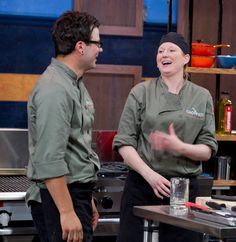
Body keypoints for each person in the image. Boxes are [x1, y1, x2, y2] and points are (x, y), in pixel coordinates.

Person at [112, 32, 218, 242]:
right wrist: (149, 175)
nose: (164, 55)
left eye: (171, 50)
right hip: (142, 186)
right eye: (160, 51)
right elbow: (124, 143)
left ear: (186, 58)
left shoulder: (201, 96)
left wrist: (179, 146)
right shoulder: (140, 92)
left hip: (184, 192)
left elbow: (207, 149)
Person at [25, 11, 103, 242]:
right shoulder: (55, 89)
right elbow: (50, 159)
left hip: (74, 194)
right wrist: (67, 212)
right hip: (57, 199)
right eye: (98, 43)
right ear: (80, 46)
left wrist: (86, 201)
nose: (100, 49)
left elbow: (76, 149)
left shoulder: (74, 84)